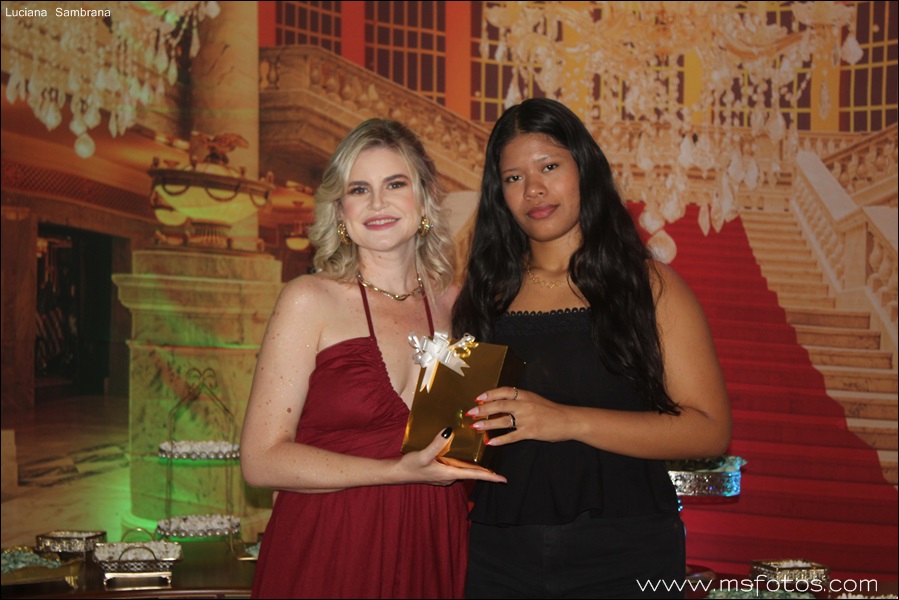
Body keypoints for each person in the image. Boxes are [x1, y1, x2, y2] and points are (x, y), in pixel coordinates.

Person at [452, 97, 732, 599]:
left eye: (549, 167)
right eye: (513, 177)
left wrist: (565, 421)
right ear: (499, 194)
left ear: (585, 169)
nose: (533, 189)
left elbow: (709, 431)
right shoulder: (483, 296)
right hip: (499, 555)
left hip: (627, 553)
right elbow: (459, 431)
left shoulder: (649, 287)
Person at [241, 118, 506, 599]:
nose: (378, 202)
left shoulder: (459, 306)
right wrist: (395, 471)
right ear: (340, 210)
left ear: (424, 197)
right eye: (359, 189)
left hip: (431, 541)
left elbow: (465, 438)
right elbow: (261, 462)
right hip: (332, 545)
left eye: (395, 184)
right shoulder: (309, 299)